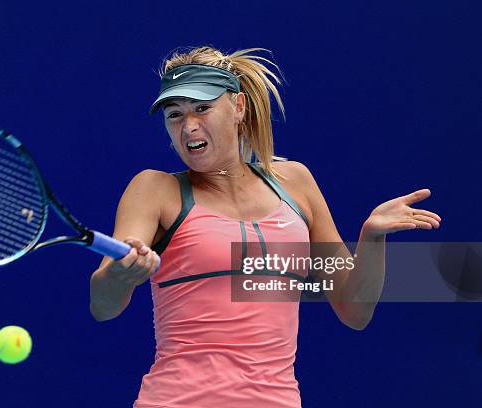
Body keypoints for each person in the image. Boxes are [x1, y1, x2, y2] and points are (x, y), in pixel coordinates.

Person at [89, 46, 441, 407]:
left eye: (202, 108)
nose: (188, 126)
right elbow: (103, 305)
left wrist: (371, 239)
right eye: (174, 114)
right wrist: (121, 275)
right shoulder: (154, 189)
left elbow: (355, 310)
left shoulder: (296, 182)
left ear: (238, 107)